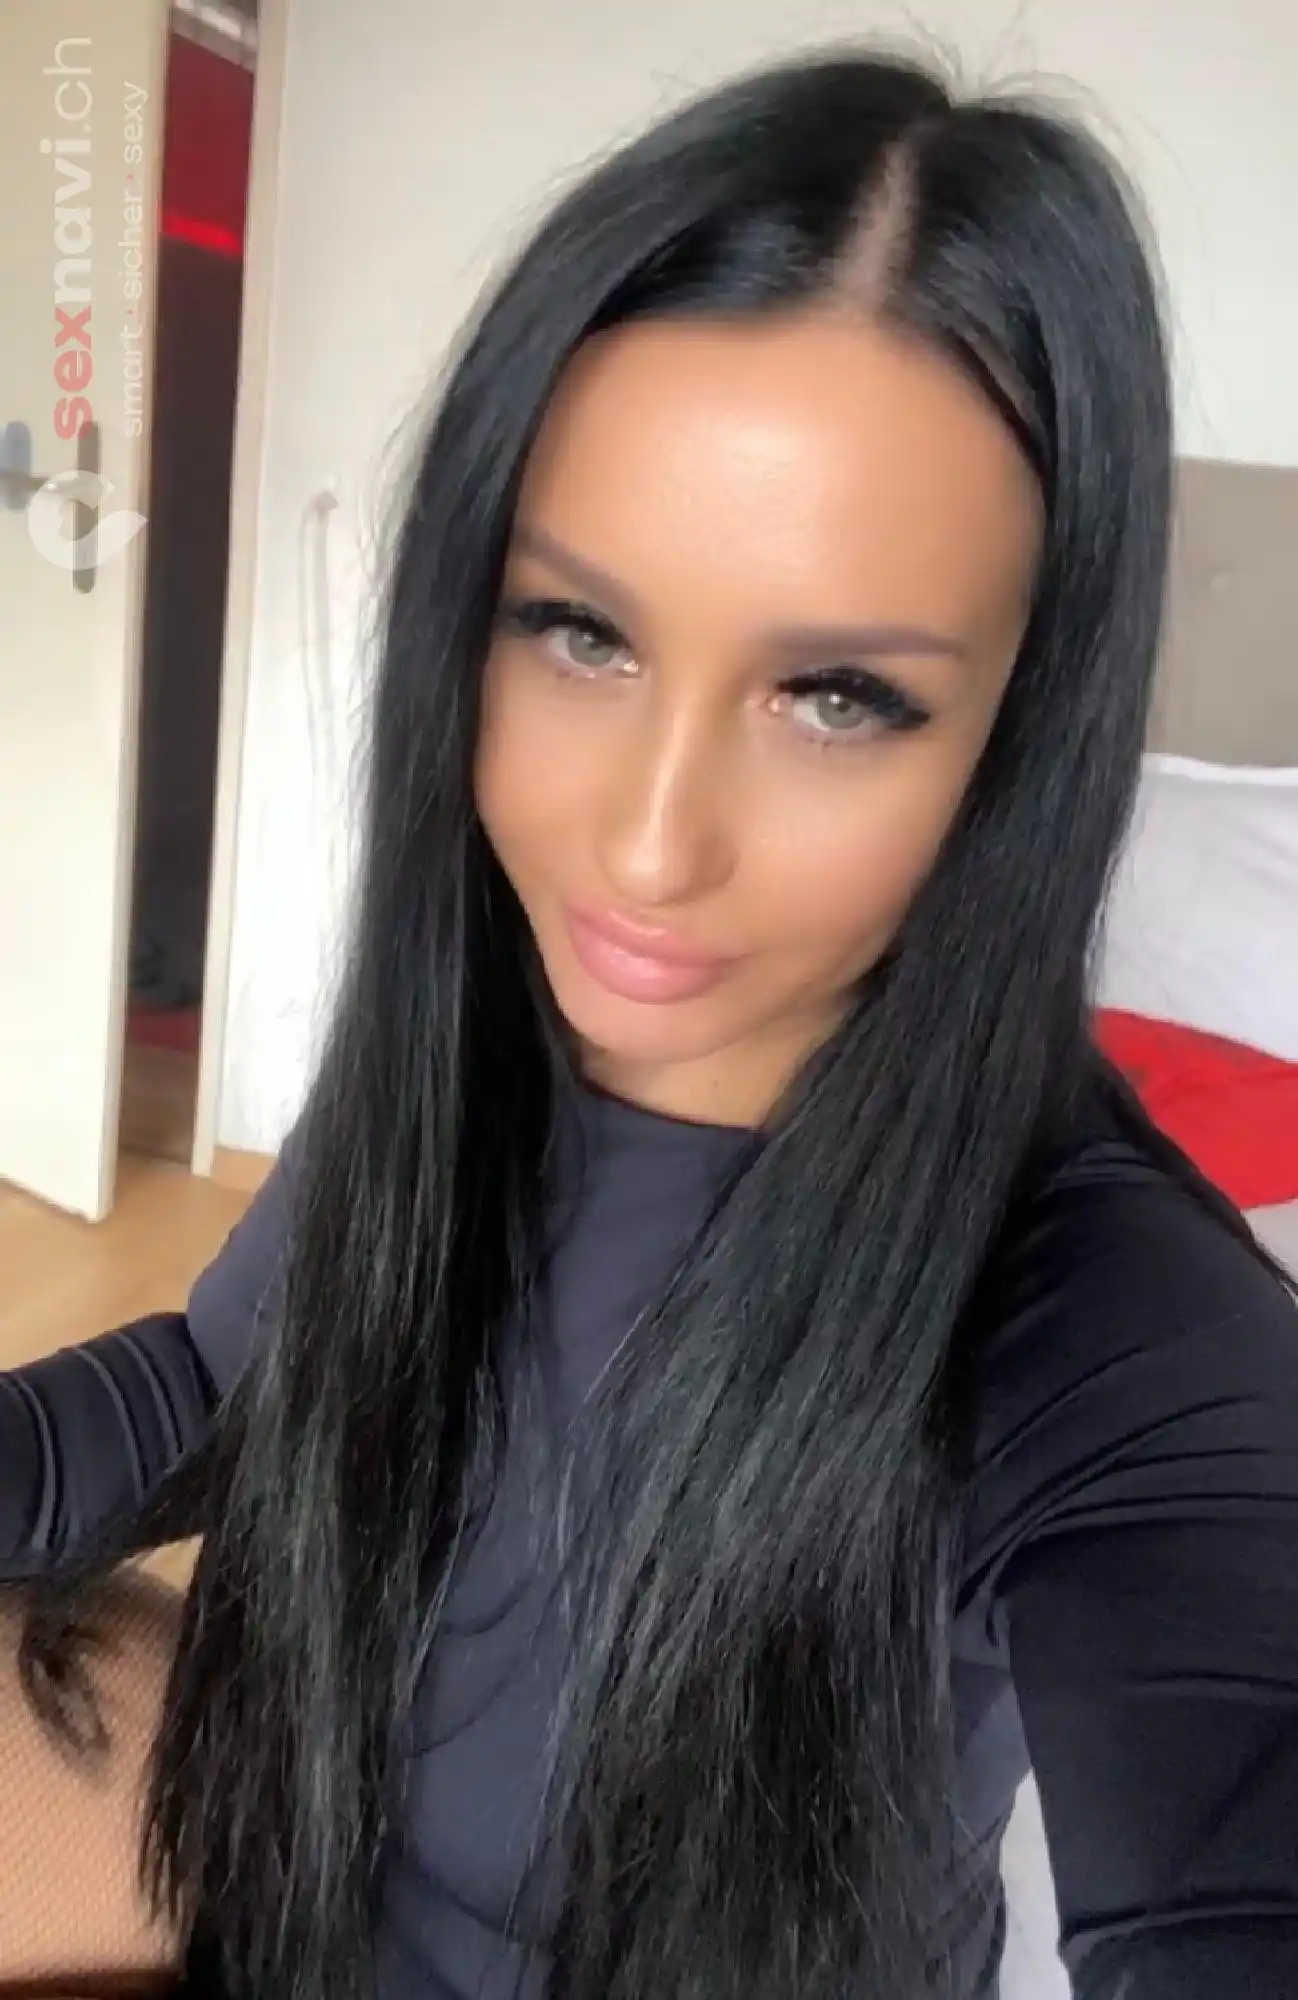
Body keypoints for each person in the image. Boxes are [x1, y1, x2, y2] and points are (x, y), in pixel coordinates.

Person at [3, 43, 1297, 2000]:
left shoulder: (1116, 1333)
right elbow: (219, 1376)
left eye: (839, 696)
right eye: (580, 632)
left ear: (1016, 735)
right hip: (268, 1878)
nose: (643, 844)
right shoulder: (469, 1036)